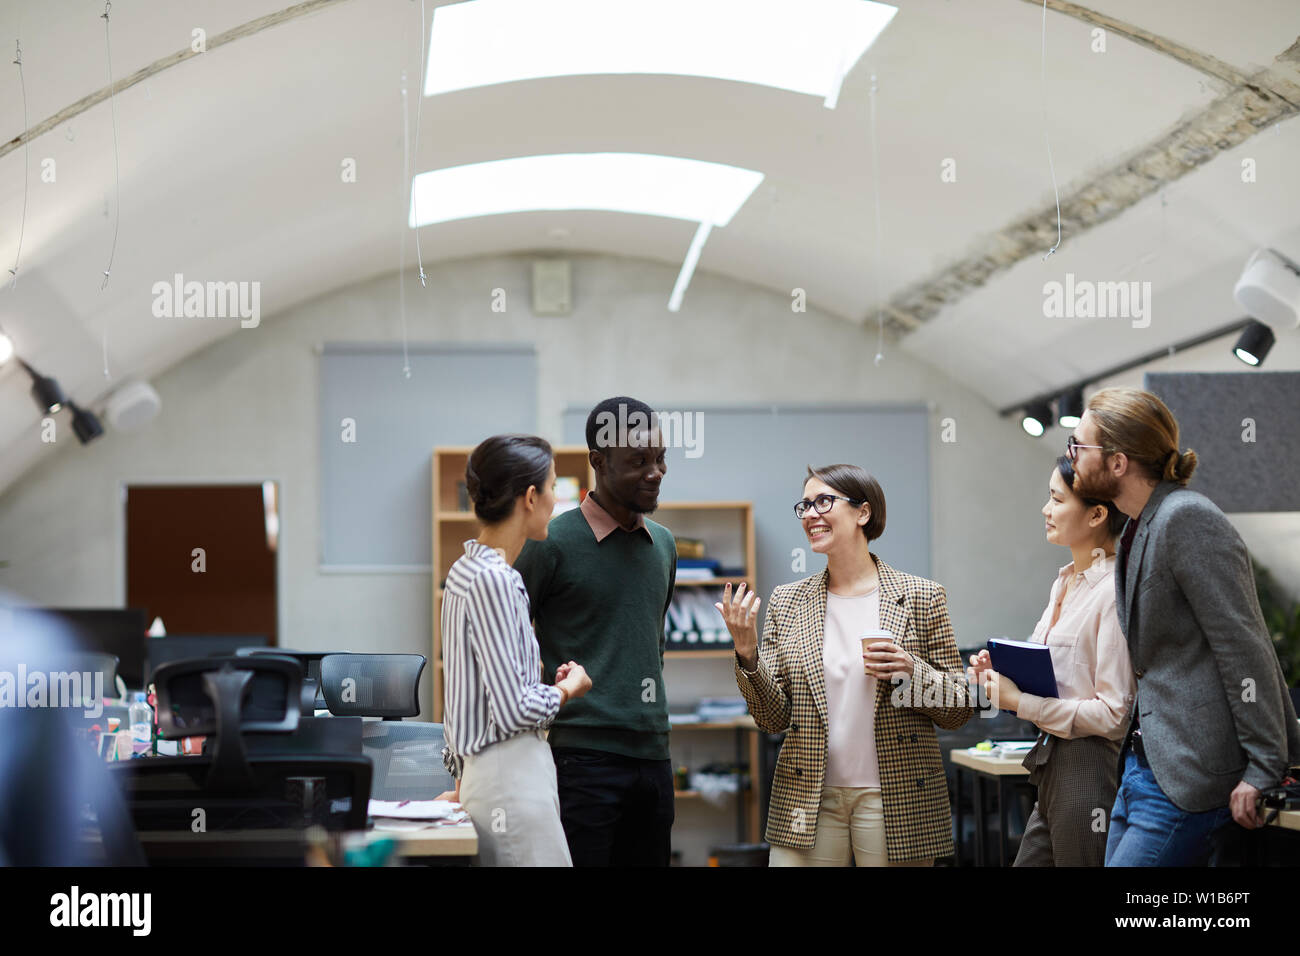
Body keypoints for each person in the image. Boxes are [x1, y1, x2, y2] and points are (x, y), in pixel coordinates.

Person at [1068, 386, 1300, 866]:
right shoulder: (1137, 525)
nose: (1071, 458)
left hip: (1190, 774)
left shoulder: (1187, 519)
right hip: (1143, 768)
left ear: (1117, 462)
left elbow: (1245, 646)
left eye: (1080, 446)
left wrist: (1263, 766)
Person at [721, 464, 974, 866]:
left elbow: (960, 708)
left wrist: (912, 671)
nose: (809, 514)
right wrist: (748, 654)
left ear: (863, 513)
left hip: (895, 795)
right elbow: (772, 718)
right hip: (808, 796)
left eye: (823, 501)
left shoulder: (922, 596)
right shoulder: (787, 602)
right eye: (804, 505)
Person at [513, 397, 677, 866]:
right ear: (598, 463)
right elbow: (506, 640)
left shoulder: (663, 545)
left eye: (661, 458)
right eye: (639, 461)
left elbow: (651, 645)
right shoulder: (550, 543)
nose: (656, 472)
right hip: (580, 758)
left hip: (654, 753)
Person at [969, 456, 1135, 866]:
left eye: (1057, 499)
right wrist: (1000, 677)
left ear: (1097, 514)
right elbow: (1052, 673)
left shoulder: (1112, 593)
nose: (1046, 509)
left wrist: (1018, 702)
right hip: (1051, 760)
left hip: (1089, 764)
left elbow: (1115, 714)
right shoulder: (1064, 582)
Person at [439, 434, 592, 866]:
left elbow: (481, 697)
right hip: (510, 776)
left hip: (485, 775)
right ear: (529, 496)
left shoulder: (464, 570)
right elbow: (511, 711)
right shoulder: (498, 580)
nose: (554, 501)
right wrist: (566, 691)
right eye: (552, 487)